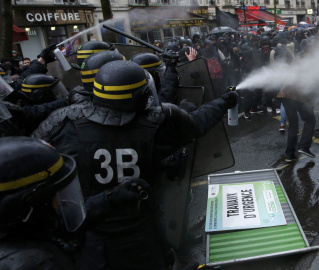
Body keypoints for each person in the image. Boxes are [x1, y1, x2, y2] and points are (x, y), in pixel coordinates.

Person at [32, 60, 238, 269]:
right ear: (142, 95)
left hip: (92, 238)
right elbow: (198, 123)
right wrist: (224, 101)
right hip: (144, 233)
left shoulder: (63, 122)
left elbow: (33, 155)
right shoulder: (157, 122)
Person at [0, 136, 86, 269]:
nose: (60, 201)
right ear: (32, 202)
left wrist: (111, 198)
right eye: (55, 194)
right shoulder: (42, 263)